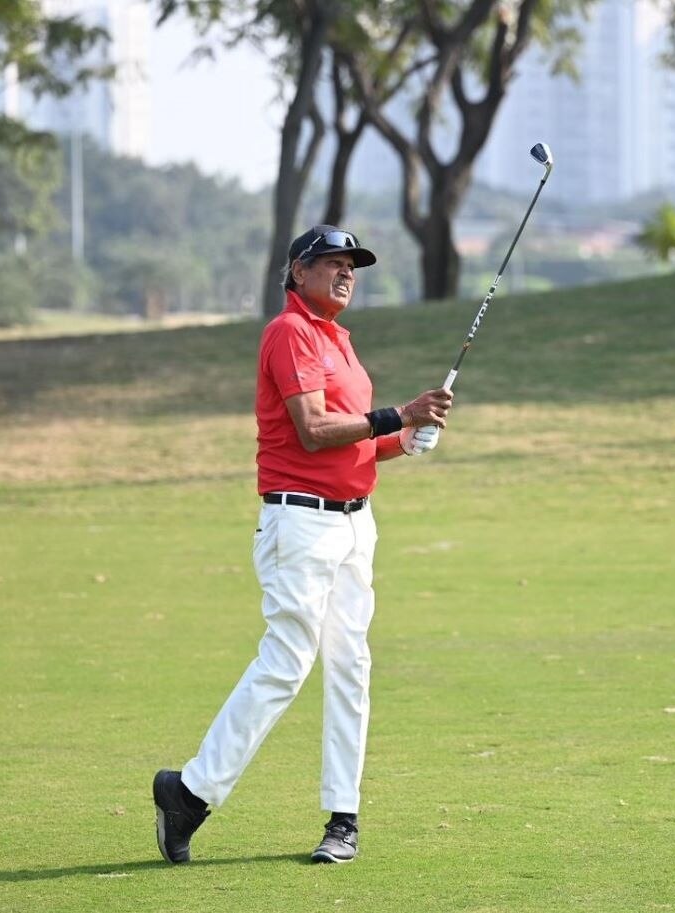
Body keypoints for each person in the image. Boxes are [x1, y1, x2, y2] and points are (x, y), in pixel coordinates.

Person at [153, 224, 453, 865]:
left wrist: (404, 440)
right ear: (298, 272)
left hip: (354, 524)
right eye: (333, 262)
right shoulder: (290, 332)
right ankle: (191, 792)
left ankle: (343, 818)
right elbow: (314, 430)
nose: (346, 273)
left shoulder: (340, 341)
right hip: (300, 523)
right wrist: (398, 415)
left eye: (353, 265)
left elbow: (356, 441)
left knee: (350, 665)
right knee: (288, 661)